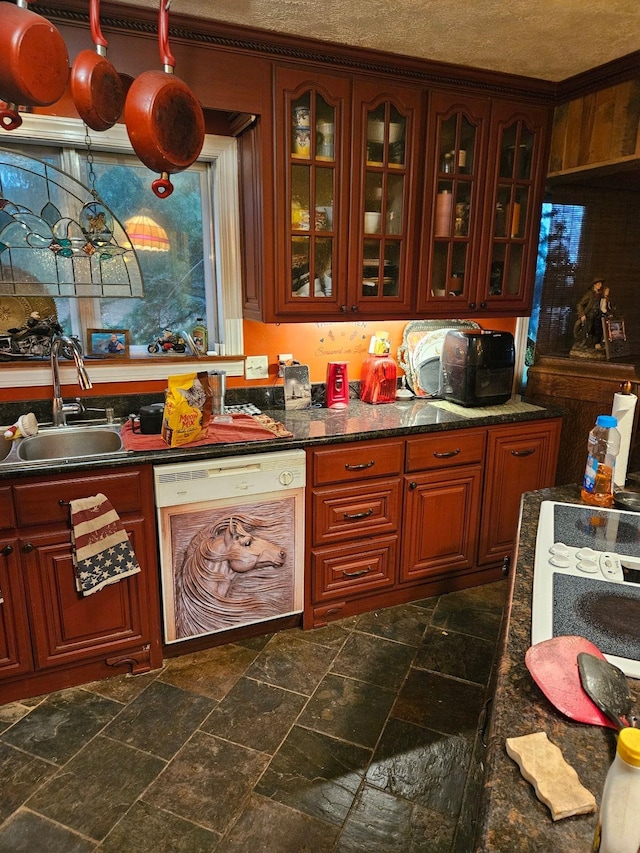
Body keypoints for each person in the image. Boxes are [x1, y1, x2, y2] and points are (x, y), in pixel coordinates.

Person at [574, 277, 604, 347]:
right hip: (590, 315)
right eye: (599, 284)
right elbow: (580, 304)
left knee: (597, 330)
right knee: (588, 330)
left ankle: (595, 344)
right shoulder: (589, 294)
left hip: (597, 315)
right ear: (595, 285)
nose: (600, 285)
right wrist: (582, 314)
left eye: (601, 284)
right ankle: (585, 344)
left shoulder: (599, 294)